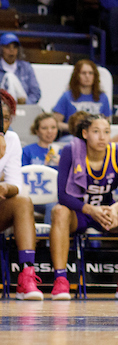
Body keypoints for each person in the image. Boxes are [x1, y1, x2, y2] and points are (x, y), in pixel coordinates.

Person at [50, 113, 118, 300]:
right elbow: (63, 196)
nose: (102, 137)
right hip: (80, 213)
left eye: (106, 132)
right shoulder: (70, 150)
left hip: (106, 213)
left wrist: (115, 209)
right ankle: (61, 280)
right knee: (59, 211)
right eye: (96, 131)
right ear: (85, 134)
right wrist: (91, 210)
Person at [0, 90, 43, 299]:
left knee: (23, 201)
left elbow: (15, 183)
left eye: (6, 118)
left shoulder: (12, 139)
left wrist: (4, 189)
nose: (2, 123)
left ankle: (27, 276)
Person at [51, 58, 110, 129]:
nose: (87, 76)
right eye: (83, 73)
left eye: (90, 73)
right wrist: (74, 129)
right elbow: (55, 123)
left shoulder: (103, 97)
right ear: (77, 75)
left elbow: (107, 123)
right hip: (71, 134)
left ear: (95, 76)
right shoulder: (67, 96)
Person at [0, 31, 40, 104]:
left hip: (24, 107)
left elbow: (36, 93)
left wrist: (25, 102)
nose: (11, 50)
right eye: (7, 47)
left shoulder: (26, 67)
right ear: (1, 49)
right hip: (2, 107)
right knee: (9, 77)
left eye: (15, 47)